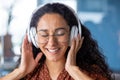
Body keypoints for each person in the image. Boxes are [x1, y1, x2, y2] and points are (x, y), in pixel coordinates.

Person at [0, 3, 112, 80]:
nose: (52, 42)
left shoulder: (88, 73)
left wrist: (73, 70)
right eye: (44, 34)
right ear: (34, 38)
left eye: (60, 33)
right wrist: (20, 72)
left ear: (73, 34)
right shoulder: (29, 75)